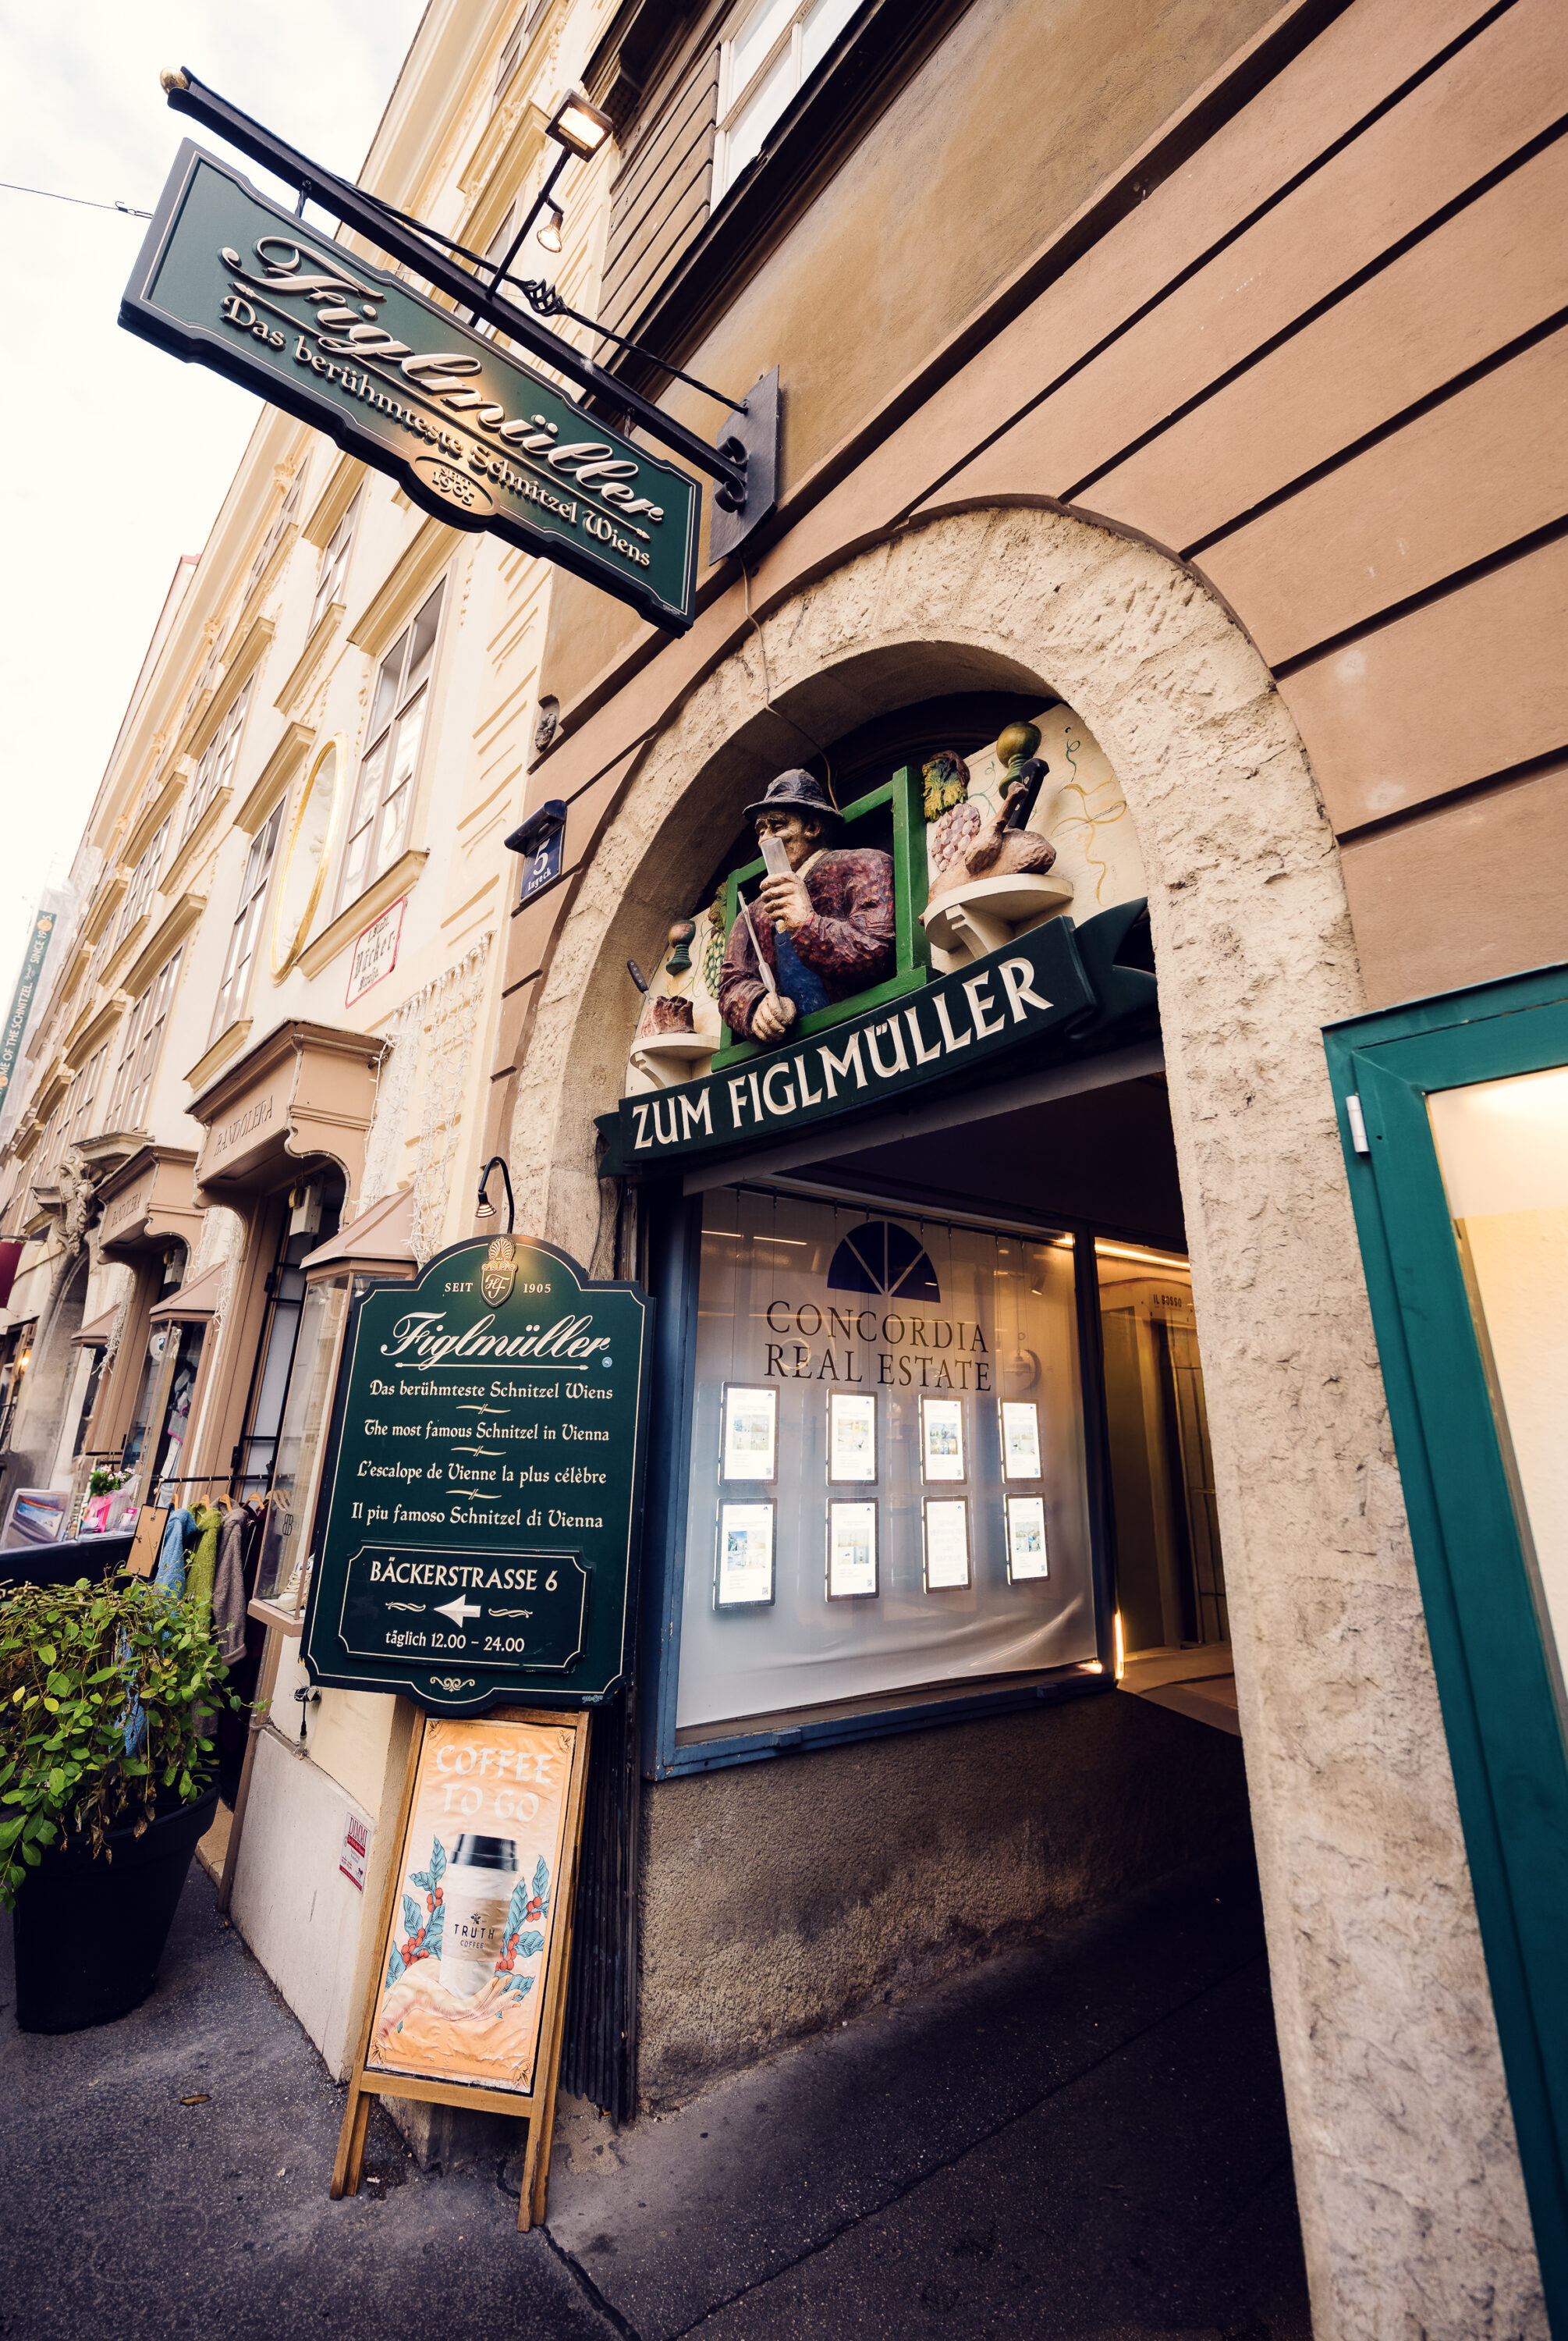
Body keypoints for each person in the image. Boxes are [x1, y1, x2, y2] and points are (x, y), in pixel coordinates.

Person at [716, 770, 896, 1043]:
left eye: (777, 827)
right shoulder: (751, 914)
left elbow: (876, 950)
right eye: (761, 830)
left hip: (872, 1031)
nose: (765, 840)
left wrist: (806, 923)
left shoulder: (865, 866)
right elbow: (732, 983)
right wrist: (758, 1005)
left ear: (812, 827)